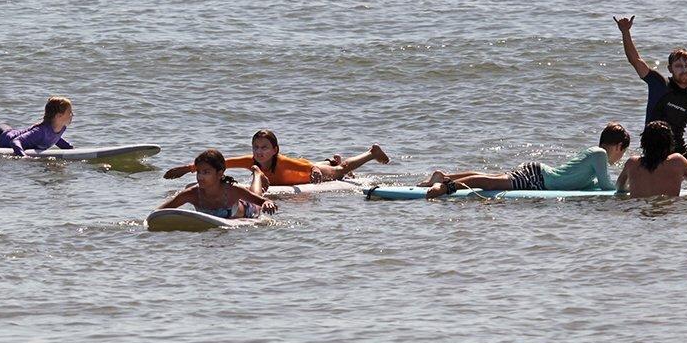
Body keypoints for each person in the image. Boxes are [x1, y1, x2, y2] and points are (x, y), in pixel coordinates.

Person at [419, 123, 631, 198]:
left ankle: (443, 176)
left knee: (492, 178)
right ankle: (446, 187)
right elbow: (606, 187)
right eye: (622, 153)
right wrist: (627, 188)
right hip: (538, 178)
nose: (620, 157)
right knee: (490, 183)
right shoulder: (600, 154)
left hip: (539, 175)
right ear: (618, 147)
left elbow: (592, 184)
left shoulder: (594, 153)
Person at [614, 16, 687, 162]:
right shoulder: (658, 84)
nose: (684, 70)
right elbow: (635, 60)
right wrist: (625, 32)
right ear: (670, 69)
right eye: (678, 66)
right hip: (655, 153)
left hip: (680, 153)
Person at [163, 129, 390, 186]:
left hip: (306, 174)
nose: (259, 151)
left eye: (264, 147)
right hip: (297, 173)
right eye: (255, 147)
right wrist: (188, 167)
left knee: (340, 172)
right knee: (333, 165)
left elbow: (304, 165)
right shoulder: (250, 161)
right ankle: (331, 160)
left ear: (275, 150)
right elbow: (222, 163)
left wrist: (314, 171)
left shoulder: (283, 161)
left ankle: (371, 153)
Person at [158, 149, 278, 218]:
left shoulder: (232, 190)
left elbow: (263, 202)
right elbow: (158, 213)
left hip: (247, 212)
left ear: (220, 174)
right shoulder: (191, 194)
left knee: (256, 196)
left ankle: (257, 173)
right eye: (198, 172)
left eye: (206, 172)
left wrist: (267, 203)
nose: (200, 177)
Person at [615, 121, 687, 198]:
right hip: (667, 213)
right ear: (670, 143)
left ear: (643, 143)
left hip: (640, 214)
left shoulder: (632, 163)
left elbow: (619, 187)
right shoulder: (677, 161)